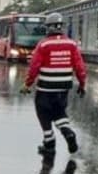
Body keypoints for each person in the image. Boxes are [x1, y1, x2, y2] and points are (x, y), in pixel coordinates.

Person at [22, 12, 85, 156]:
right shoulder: (71, 44)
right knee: (59, 111)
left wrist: (27, 84)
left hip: (45, 87)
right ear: (61, 27)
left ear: (49, 27)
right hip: (63, 88)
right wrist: (82, 84)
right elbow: (80, 67)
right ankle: (68, 133)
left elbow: (34, 67)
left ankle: (49, 143)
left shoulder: (44, 44)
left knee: (43, 112)